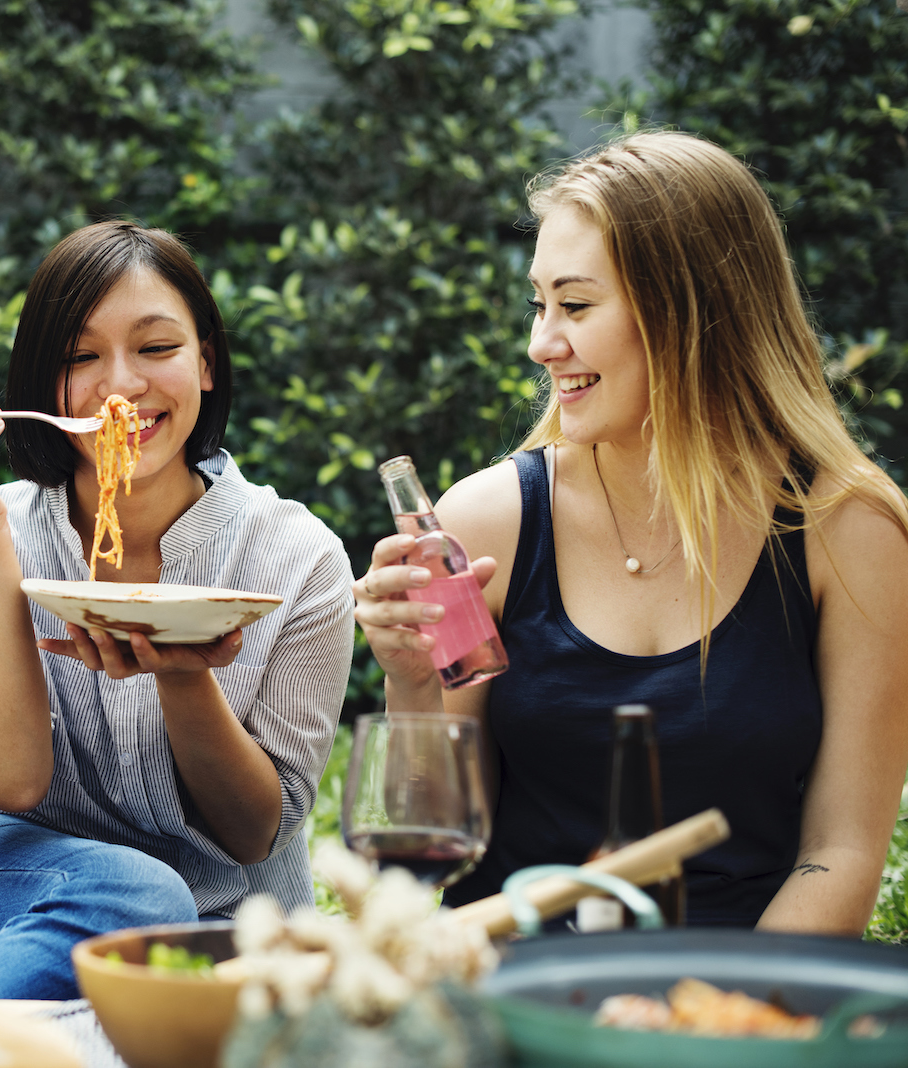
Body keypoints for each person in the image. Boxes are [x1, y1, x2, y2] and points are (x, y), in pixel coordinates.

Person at [354, 131, 908, 934]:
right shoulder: (486, 524)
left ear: (695, 312)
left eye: (575, 305)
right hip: (511, 993)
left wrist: (718, 1024)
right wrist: (410, 682)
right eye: (539, 304)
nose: (542, 342)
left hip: (736, 1006)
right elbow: (430, 847)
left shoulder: (848, 529)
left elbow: (842, 851)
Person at [0, 221, 355, 997]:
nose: (119, 387)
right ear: (43, 385)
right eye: (79, 358)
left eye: (156, 348)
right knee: (80, 890)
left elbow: (253, 833)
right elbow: (6, 784)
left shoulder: (296, 559)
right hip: (6, 888)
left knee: (151, 899)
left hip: (220, 929)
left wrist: (183, 674)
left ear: (205, 362)